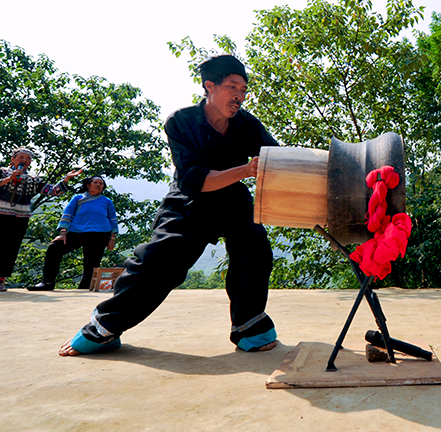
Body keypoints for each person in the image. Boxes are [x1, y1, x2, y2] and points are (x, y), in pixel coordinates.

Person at [60, 54, 280, 356]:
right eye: (232, 87)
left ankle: (249, 328)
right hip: (190, 202)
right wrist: (244, 170)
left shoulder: (248, 125)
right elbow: (195, 180)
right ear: (209, 86)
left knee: (254, 245)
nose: (239, 96)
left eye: (243, 90)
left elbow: (279, 158)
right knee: (160, 259)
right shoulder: (181, 122)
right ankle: (104, 328)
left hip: (232, 201)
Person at [0, 148, 82, 292]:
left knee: (10, 248)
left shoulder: (33, 179)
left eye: (27, 158)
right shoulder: (2, 172)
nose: (24, 160)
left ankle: (1, 280)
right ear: (12, 159)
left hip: (20, 217)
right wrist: (9, 178)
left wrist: (66, 179)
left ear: (30, 162)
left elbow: (52, 191)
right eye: (21, 157)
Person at [27, 176, 118, 291]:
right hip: (77, 233)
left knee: (91, 265)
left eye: (101, 184)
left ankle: (85, 289)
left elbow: (113, 220)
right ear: (88, 185)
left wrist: (112, 239)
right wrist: (63, 233)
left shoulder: (107, 201)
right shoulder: (78, 198)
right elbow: (67, 214)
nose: (98, 185)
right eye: (95, 182)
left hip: (99, 235)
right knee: (54, 248)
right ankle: (47, 282)